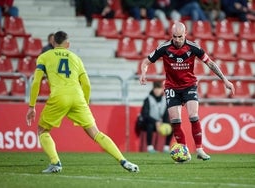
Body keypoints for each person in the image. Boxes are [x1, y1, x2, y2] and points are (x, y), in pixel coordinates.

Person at [26, 31, 139, 173]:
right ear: (68, 44)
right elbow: (86, 84)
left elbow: (36, 81)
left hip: (59, 96)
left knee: (42, 130)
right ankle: (124, 161)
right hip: (78, 97)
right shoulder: (76, 58)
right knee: (96, 133)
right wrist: (84, 103)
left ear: (53, 43)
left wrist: (32, 106)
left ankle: (55, 162)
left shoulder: (44, 57)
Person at [139, 22, 235, 161]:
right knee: (175, 120)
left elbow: (210, 63)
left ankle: (200, 149)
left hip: (189, 86)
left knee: (193, 116)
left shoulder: (193, 47)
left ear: (185, 34)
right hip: (172, 87)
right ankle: (184, 151)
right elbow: (146, 62)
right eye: (174, 37)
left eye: (179, 37)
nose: (177, 40)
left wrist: (225, 80)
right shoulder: (164, 47)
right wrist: (143, 73)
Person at [140, 81, 173, 153]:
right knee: (150, 126)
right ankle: (150, 147)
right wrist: (155, 122)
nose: (157, 90)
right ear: (153, 89)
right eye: (156, 88)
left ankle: (166, 147)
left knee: (171, 126)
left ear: (162, 89)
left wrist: (165, 123)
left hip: (160, 123)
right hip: (148, 123)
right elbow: (145, 115)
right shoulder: (148, 99)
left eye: (159, 88)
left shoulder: (165, 100)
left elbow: (166, 114)